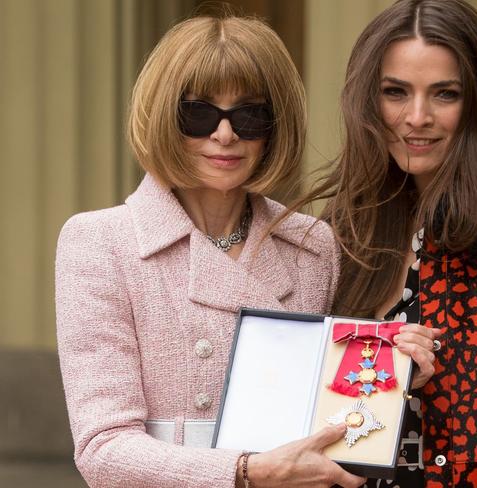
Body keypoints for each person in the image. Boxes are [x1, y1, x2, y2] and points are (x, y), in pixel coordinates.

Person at [55, 14, 372, 488]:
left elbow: (333, 415)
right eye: (198, 114)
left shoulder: (311, 246)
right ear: (165, 116)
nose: (224, 135)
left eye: (249, 116)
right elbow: (103, 449)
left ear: (274, 126)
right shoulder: (101, 243)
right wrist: (245, 471)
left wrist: (388, 367)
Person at [295, 0, 477, 486]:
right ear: (369, 101)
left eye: (444, 94)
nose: (417, 116)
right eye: (395, 92)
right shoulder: (344, 231)